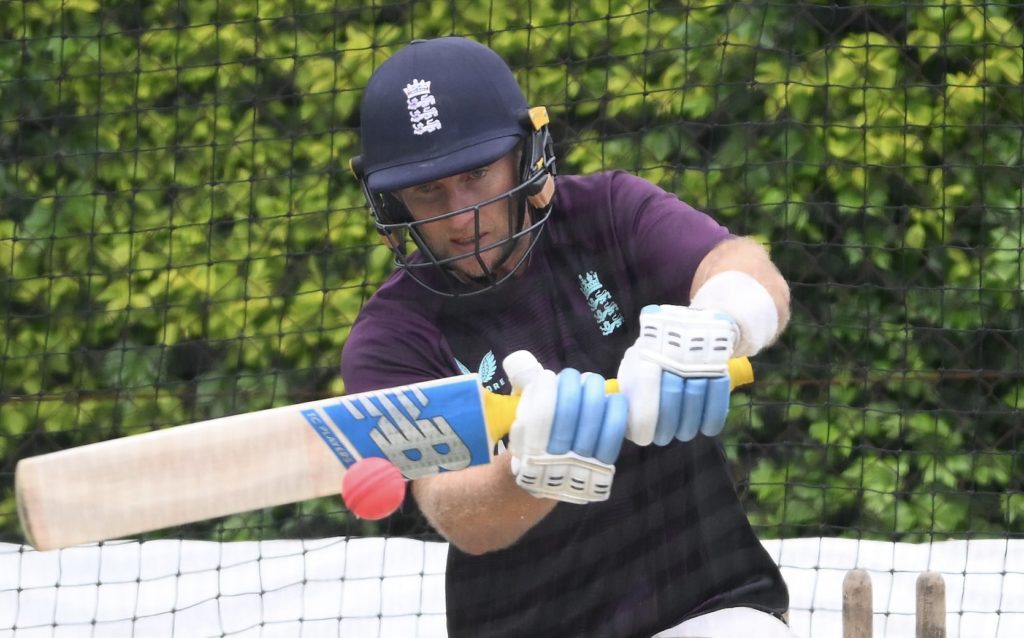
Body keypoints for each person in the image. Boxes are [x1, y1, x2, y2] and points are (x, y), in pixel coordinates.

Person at [342, 36, 796, 637]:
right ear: (392, 201)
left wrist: (717, 320)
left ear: (525, 155)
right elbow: (452, 508)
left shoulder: (608, 211)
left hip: (706, 604)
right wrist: (528, 472)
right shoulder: (389, 337)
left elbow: (746, 268)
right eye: (428, 190)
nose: (459, 215)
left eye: (477, 174)